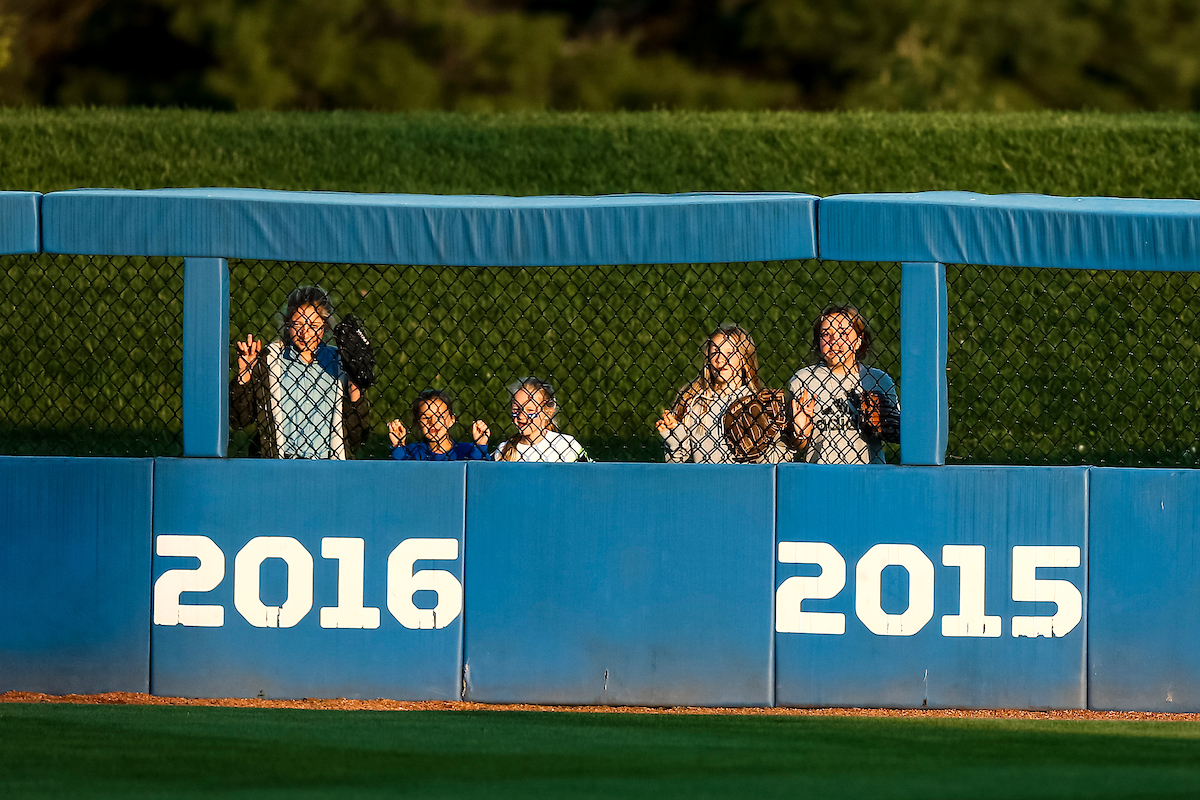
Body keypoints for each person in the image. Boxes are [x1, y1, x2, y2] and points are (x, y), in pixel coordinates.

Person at [230, 286, 369, 459]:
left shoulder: (340, 362)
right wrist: (245, 373)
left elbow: (357, 436)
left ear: (325, 326)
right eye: (298, 324)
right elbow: (239, 420)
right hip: (282, 464)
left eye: (313, 325)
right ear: (287, 324)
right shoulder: (272, 360)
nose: (305, 332)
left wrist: (355, 387)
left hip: (327, 464)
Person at [656, 323, 790, 464]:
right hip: (703, 483)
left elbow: (780, 459)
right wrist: (675, 437)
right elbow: (677, 466)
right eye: (715, 352)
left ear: (744, 359)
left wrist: (759, 450)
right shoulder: (693, 403)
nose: (720, 359)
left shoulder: (759, 404)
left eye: (729, 353)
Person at [788, 305, 900, 464]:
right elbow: (795, 444)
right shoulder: (803, 380)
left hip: (869, 476)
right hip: (820, 475)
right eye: (826, 334)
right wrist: (801, 434)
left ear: (858, 341)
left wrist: (886, 424)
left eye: (844, 333)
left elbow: (899, 434)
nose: (834, 341)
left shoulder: (878, 380)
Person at [493, 377, 588, 462]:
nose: (521, 416)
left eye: (530, 410)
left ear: (548, 412)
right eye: (516, 410)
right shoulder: (503, 450)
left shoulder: (565, 446)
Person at [388, 390, 490, 461]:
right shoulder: (413, 452)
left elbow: (479, 472)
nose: (433, 423)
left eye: (440, 416)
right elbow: (400, 472)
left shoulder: (466, 450)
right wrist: (398, 445)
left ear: (452, 420)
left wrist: (480, 446)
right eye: (426, 418)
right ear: (418, 423)